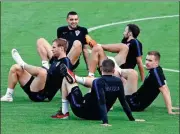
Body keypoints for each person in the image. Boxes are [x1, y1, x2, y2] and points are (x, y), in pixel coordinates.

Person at [51, 59, 145, 126]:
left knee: (66, 80)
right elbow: (123, 102)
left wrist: (105, 122)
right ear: (113, 70)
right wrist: (132, 118)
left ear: (101, 69)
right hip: (99, 115)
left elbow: (102, 101)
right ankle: (76, 78)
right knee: (92, 84)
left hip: (82, 111)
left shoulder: (98, 81)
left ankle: (64, 112)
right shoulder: (118, 82)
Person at [1, 38, 75, 102]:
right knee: (15, 68)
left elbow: (67, 81)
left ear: (61, 48)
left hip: (42, 95)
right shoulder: (56, 58)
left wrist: (66, 99)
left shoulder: (66, 63)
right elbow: (42, 42)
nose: (51, 49)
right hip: (35, 86)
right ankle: (8, 96)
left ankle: (22, 64)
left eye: (54, 47)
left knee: (43, 71)